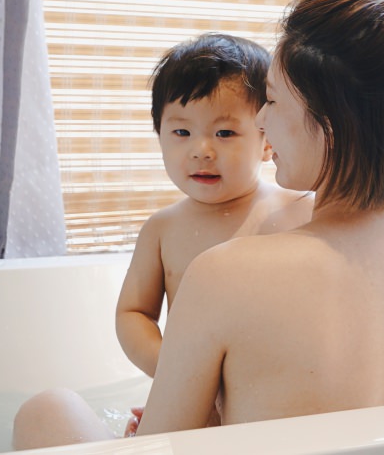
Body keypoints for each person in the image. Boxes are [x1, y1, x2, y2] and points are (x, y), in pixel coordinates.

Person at [11, 0, 384, 449]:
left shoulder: (225, 275)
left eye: (272, 101)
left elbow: (158, 447)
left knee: (49, 410)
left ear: (329, 126)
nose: (260, 121)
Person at [116, 32, 313, 430]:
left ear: (267, 141)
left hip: (270, 406)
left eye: (224, 133)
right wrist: (176, 376)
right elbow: (133, 313)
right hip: (195, 407)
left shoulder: (298, 211)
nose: (201, 150)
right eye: (181, 132)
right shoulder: (163, 229)